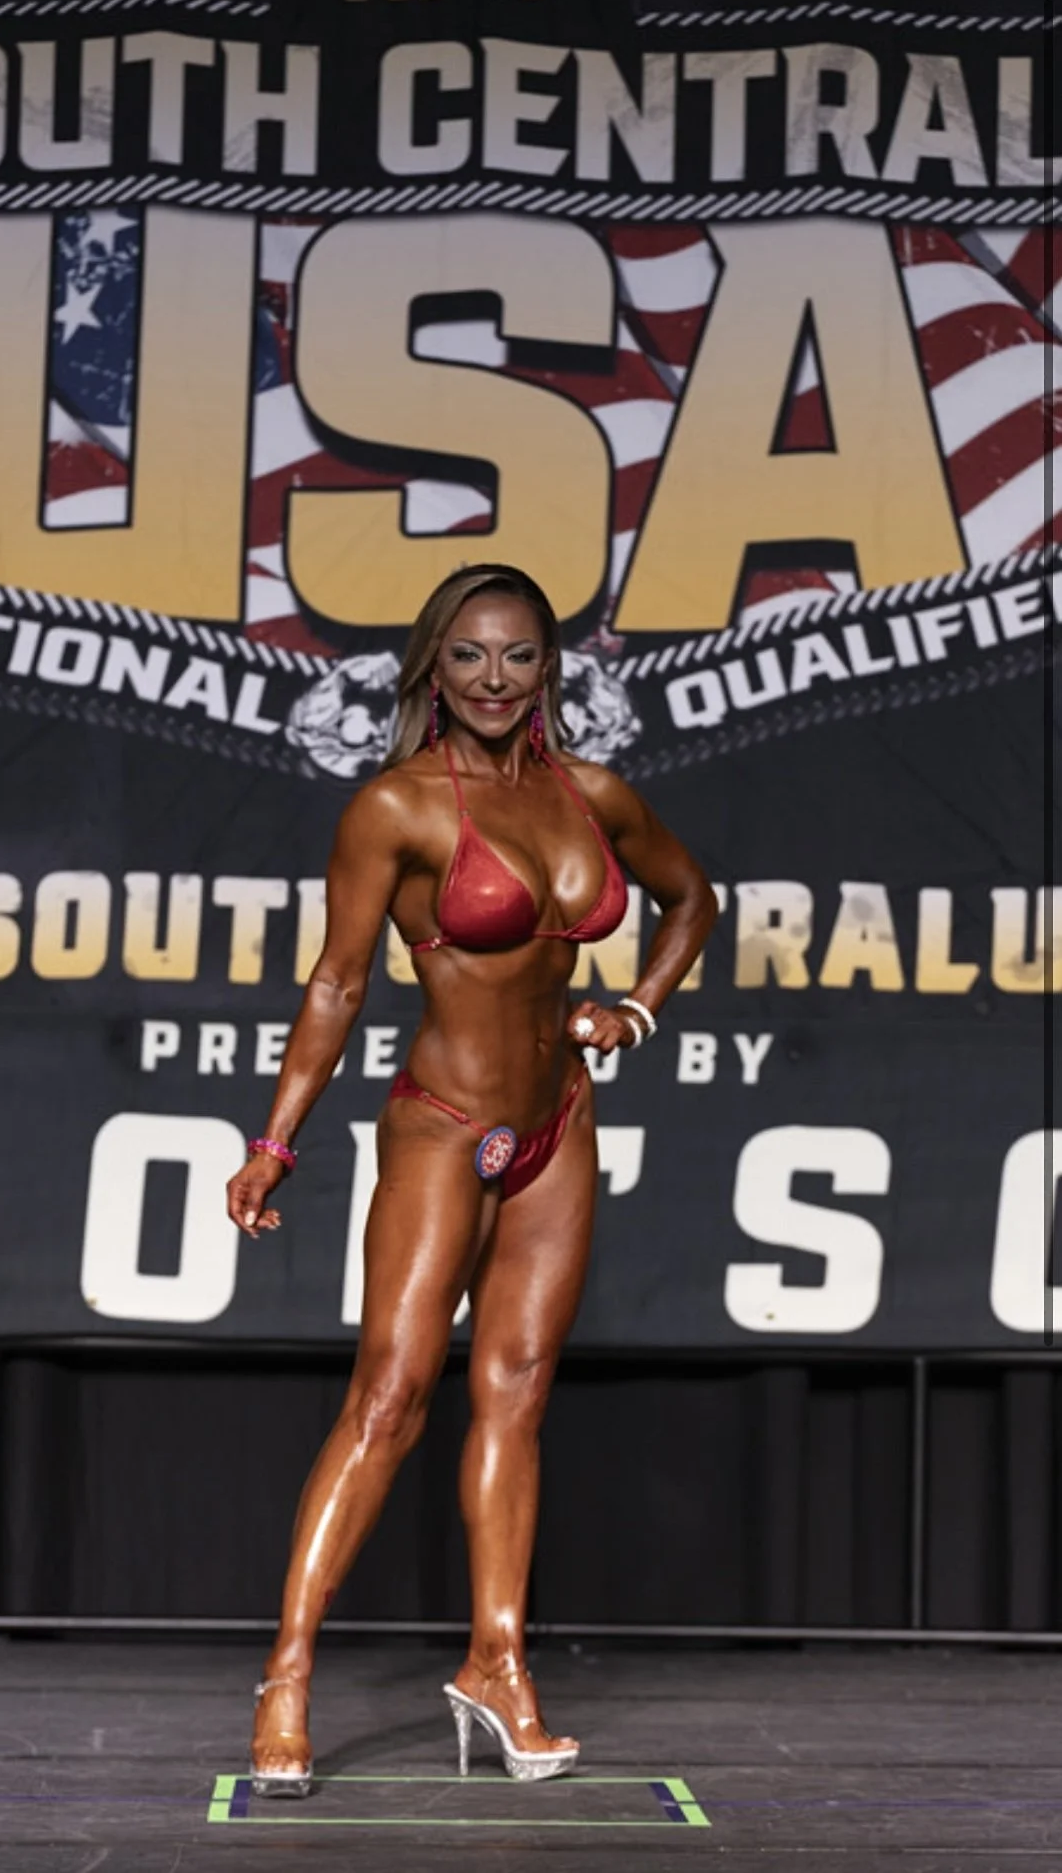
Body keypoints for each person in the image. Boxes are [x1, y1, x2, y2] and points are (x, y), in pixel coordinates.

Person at [225, 563, 717, 1795]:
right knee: (389, 1399)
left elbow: (692, 898)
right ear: (431, 668)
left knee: (516, 1395)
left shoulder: (591, 793)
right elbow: (337, 983)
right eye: (468, 657)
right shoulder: (396, 807)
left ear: (551, 669)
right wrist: (275, 1139)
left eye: (517, 657)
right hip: (441, 1125)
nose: (494, 679)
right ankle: (287, 1673)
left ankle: (498, 1664)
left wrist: (638, 1011)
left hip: (558, 1122)